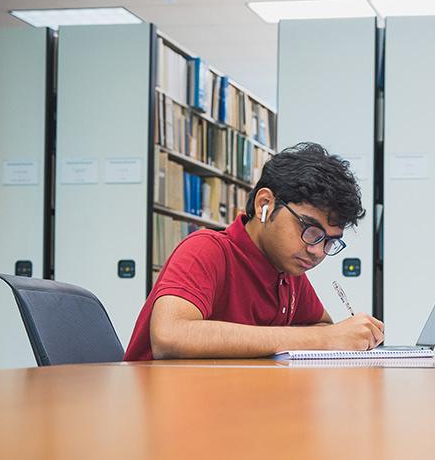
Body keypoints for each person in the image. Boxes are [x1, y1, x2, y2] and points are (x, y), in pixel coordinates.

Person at [124, 142, 384, 361]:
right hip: (161, 411)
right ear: (265, 204)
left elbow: (321, 326)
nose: (317, 251)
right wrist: (324, 339)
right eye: (310, 230)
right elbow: (170, 336)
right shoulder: (206, 250)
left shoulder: (288, 272)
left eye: (329, 241)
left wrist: (329, 336)